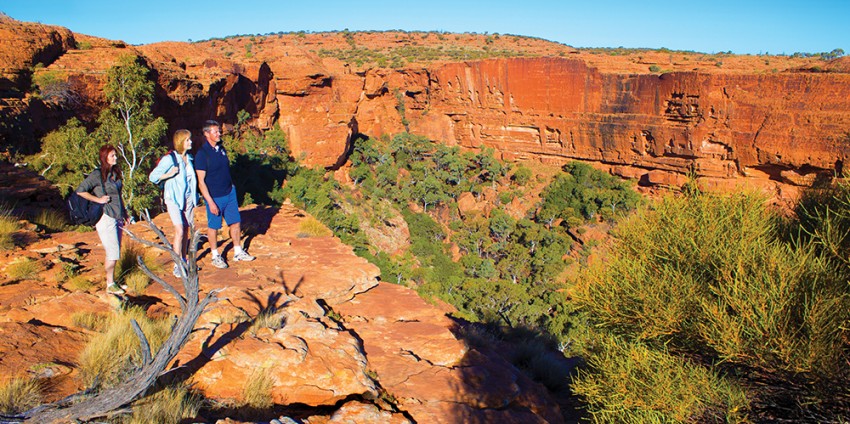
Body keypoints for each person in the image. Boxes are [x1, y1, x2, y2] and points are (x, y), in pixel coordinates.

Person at [194, 120, 255, 268]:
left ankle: (238, 251)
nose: (219, 134)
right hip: (214, 196)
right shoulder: (202, 155)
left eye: (219, 131)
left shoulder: (221, 148)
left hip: (229, 193)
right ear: (207, 134)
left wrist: (232, 187)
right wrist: (210, 202)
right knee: (214, 226)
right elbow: (201, 182)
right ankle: (215, 255)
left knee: (235, 222)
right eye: (215, 132)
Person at [76, 144, 129, 294]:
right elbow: (80, 191)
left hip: (117, 215)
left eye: (115, 155)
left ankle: (112, 281)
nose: (115, 158)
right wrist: (98, 199)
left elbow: (119, 195)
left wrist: (124, 213)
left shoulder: (115, 173)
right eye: (112, 155)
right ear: (105, 158)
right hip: (105, 217)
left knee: (115, 251)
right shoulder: (97, 175)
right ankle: (110, 284)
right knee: (112, 252)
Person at [149, 129, 198, 278]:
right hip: (173, 198)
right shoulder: (170, 159)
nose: (191, 142)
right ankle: (177, 265)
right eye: (187, 140)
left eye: (190, 139)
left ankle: (183, 259)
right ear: (180, 142)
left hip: (188, 198)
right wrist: (169, 174)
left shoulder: (189, 158)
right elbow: (153, 177)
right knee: (179, 230)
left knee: (186, 229)